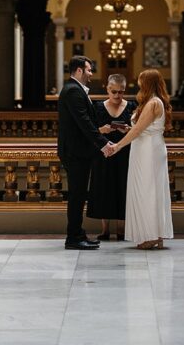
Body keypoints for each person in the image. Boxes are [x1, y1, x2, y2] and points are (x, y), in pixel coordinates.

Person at [106, 68, 174, 250]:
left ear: (148, 84)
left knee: (148, 191)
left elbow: (138, 131)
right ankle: (155, 234)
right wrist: (127, 130)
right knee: (149, 190)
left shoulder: (153, 103)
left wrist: (117, 146)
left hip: (149, 150)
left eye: (141, 82)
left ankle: (151, 235)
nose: (137, 85)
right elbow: (139, 129)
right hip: (146, 147)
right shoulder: (153, 102)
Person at [57, 55, 110, 250]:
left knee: (79, 194)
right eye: (88, 69)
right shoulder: (73, 91)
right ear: (79, 70)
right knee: (77, 195)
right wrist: (103, 144)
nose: (91, 73)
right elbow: (84, 123)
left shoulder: (75, 89)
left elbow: (87, 122)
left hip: (78, 151)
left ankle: (78, 234)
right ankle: (73, 237)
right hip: (75, 152)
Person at [87, 73, 134, 241]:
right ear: (107, 89)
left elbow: (138, 130)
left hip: (124, 152)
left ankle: (121, 229)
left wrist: (127, 130)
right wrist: (102, 130)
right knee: (103, 187)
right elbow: (89, 130)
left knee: (123, 186)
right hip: (102, 153)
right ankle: (105, 229)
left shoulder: (131, 106)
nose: (116, 96)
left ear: (124, 90)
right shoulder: (97, 107)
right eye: (113, 91)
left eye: (120, 92)